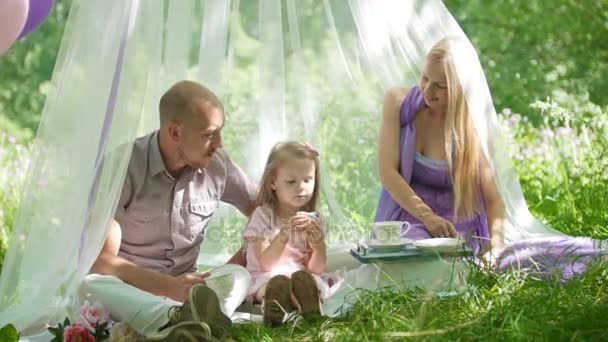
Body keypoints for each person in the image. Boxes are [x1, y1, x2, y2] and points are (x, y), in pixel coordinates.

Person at [82, 80, 257, 339]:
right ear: (175, 133)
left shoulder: (218, 165)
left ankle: (189, 320)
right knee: (92, 284)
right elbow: (102, 261)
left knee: (238, 276)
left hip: (190, 291)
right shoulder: (123, 167)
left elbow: (264, 209)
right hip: (132, 290)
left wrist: (247, 251)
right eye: (210, 134)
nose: (219, 143)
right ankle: (177, 321)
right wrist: (168, 286)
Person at [375, 38, 505, 257]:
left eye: (440, 85)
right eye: (425, 78)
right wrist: (427, 216)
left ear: (459, 87)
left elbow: (493, 200)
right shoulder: (398, 103)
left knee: (448, 260)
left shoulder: (472, 125)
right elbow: (387, 173)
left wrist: (495, 251)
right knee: (417, 257)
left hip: (456, 224)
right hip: (410, 215)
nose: (428, 89)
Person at [243, 141, 340, 326]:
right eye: (291, 181)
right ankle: (274, 306)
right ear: (273, 182)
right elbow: (265, 262)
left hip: (298, 276)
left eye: (307, 180)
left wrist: (318, 246)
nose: (301, 187)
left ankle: (309, 307)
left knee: (311, 281)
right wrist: (284, 234)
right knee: (273, 285)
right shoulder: (263, 215)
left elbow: (315, 269)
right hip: (267, 275)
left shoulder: (313, 220)